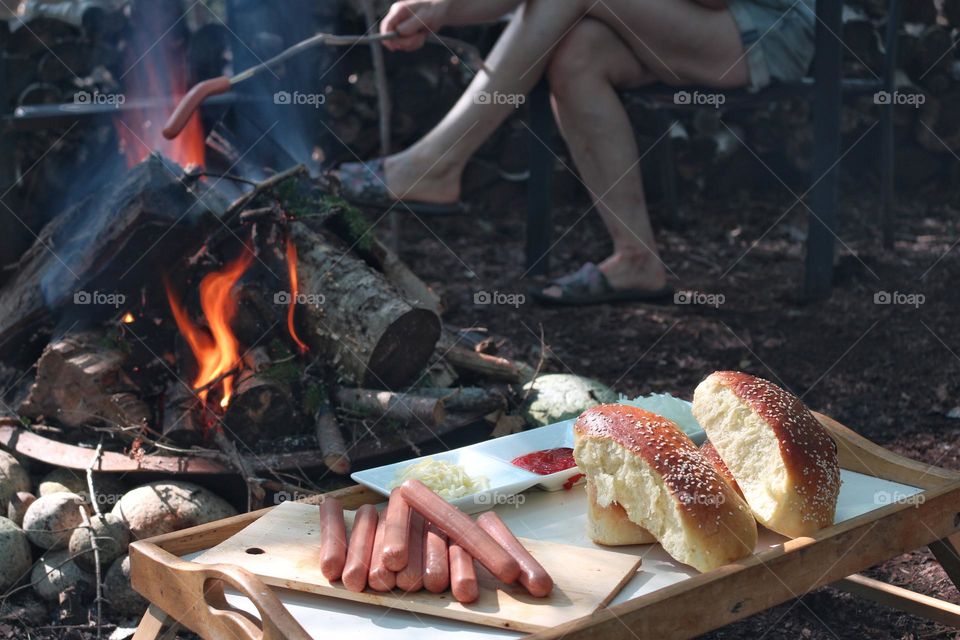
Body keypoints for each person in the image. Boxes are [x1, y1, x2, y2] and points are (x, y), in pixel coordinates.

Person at [337, 0, 816, 305]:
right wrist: (441, 10)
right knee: (576, 57)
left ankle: (435, 164)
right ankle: (636, 260)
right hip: (694, 26)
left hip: (766, 30)